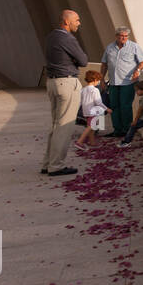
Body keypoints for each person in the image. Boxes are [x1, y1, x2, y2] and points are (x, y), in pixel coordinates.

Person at [41, 9, 87, 176]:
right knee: (64, 126)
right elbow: (83, 60)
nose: (79, 23)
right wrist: (74, 60)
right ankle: (56, 166)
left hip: (52, 82)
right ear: (66, 22)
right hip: (66, 83)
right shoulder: (67, 38)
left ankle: (47, 163)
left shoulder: (51, 37)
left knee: (55, 125)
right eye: (77, 20)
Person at [100, 26, 143, 138]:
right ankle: (117, 130)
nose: (123, 38)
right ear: (116, 36)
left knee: (125, 106)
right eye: (121, 36)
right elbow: (104, 64)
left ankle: (127, 130)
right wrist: (101, 79)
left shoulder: (134, 47)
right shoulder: (110, 48)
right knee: (114, 107)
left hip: (128, 82)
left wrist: (138, 70)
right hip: (113, 83)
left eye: (126, 36)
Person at [75, 70, 111, 148]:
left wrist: (77, 110)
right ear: (94, 80)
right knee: (91, 126)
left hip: (85, 111)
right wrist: (107, 109)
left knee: (91, 127)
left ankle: (92, 142)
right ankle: (79, 142)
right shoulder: (95, 90)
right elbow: (99, 102)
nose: (98, 82)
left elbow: (79, 102)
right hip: (93, 112)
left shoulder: (83, 89)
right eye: (98, 81)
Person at [116, 80, 143, 148]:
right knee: (133, 127)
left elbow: (140, 110)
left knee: (133, 126)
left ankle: (127, 142)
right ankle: (126, 141)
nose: (136, 92)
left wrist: (135, 120)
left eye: (137, 90)